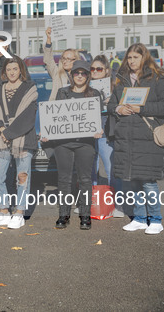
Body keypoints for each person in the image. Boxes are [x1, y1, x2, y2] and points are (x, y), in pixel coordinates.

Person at [108, 43, 164, 235]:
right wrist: (118, 109)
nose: (131, 61)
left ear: (144, 58)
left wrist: (142, 109)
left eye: (135, 57)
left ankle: (155, 219)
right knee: (133, 180)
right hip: (127, 137)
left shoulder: (157, 78)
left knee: (148, 181)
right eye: (129, 58)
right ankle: (139, 218)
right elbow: (112, 104)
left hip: (147, 137)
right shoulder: (121, 80)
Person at [42, 60, 103, 230]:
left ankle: (85, 215)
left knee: (85, 179)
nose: (80, 76)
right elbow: (55, 117)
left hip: (86, 143)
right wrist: (48, 133)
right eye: (77, 73)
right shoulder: (63, 93)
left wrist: (99, 130)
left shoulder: (95, 94)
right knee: (64, 180)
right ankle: (64, 214)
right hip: (64, 143)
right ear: (71, 75)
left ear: (88, 76)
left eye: (83, 73)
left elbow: (98, 118)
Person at [0, 56, 38, 230]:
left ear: (21, 70)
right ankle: (4, 211)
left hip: (22, 139)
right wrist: (1, 129)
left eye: (15, 69)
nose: (12, 72)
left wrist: (9, 132)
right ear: (4, 71)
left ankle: (20, 212)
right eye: (8, 69)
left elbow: (28, 117)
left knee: (22, 177)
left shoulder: (30, 88)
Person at [90, 55, 124, 218]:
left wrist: (113, 102)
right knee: (91, 168)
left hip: (106, 128)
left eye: (99, 69)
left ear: (106, 71)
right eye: (93, 69)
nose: (95, 72)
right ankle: (92, 202)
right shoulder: (84, 85)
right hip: (88, 130)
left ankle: (115, 205)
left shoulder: (114, 86)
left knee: (110, 167)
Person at [43, 27, 80, 101]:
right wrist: (48, 40)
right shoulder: (57, 73)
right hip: (58, 109)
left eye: (68, 59)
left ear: (75, 60)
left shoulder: (81, 75)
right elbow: (48, 60)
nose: (65, 61)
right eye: (63, 58)